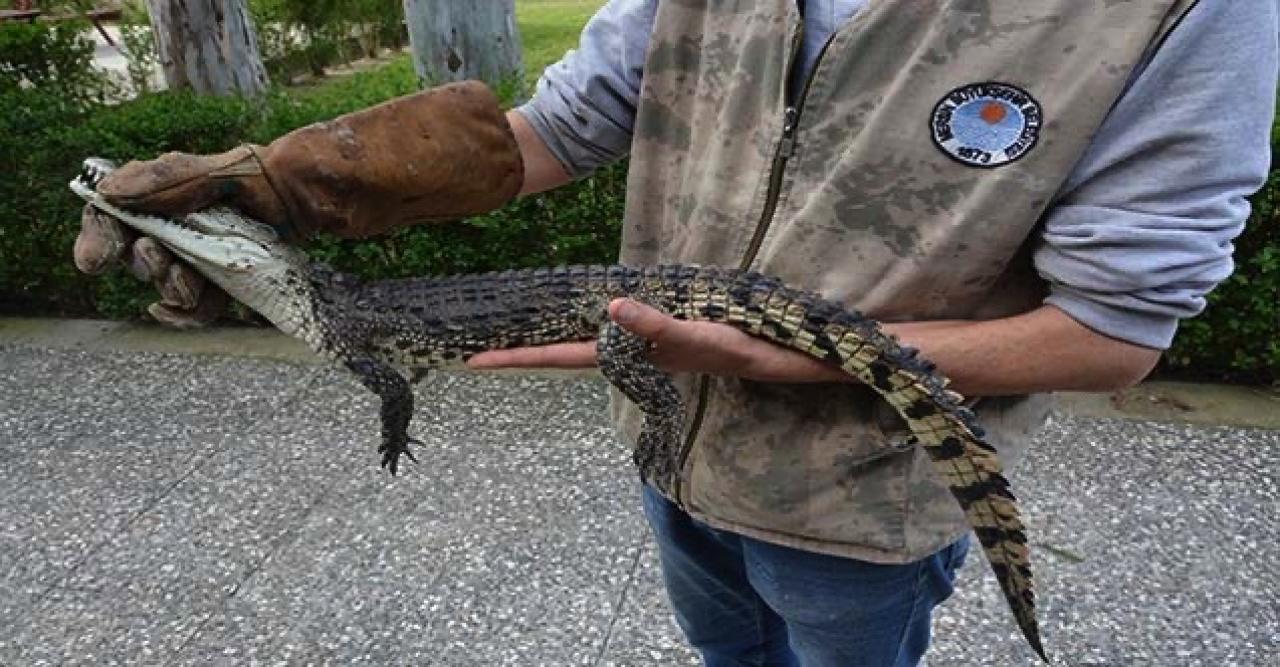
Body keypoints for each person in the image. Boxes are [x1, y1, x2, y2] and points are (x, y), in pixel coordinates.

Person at [75, 1, 1276, 665]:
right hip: (671, 460)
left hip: (855, 504)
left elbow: (1111, 330)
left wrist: (772, 356)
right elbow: (557, 123)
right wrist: (280, 187)